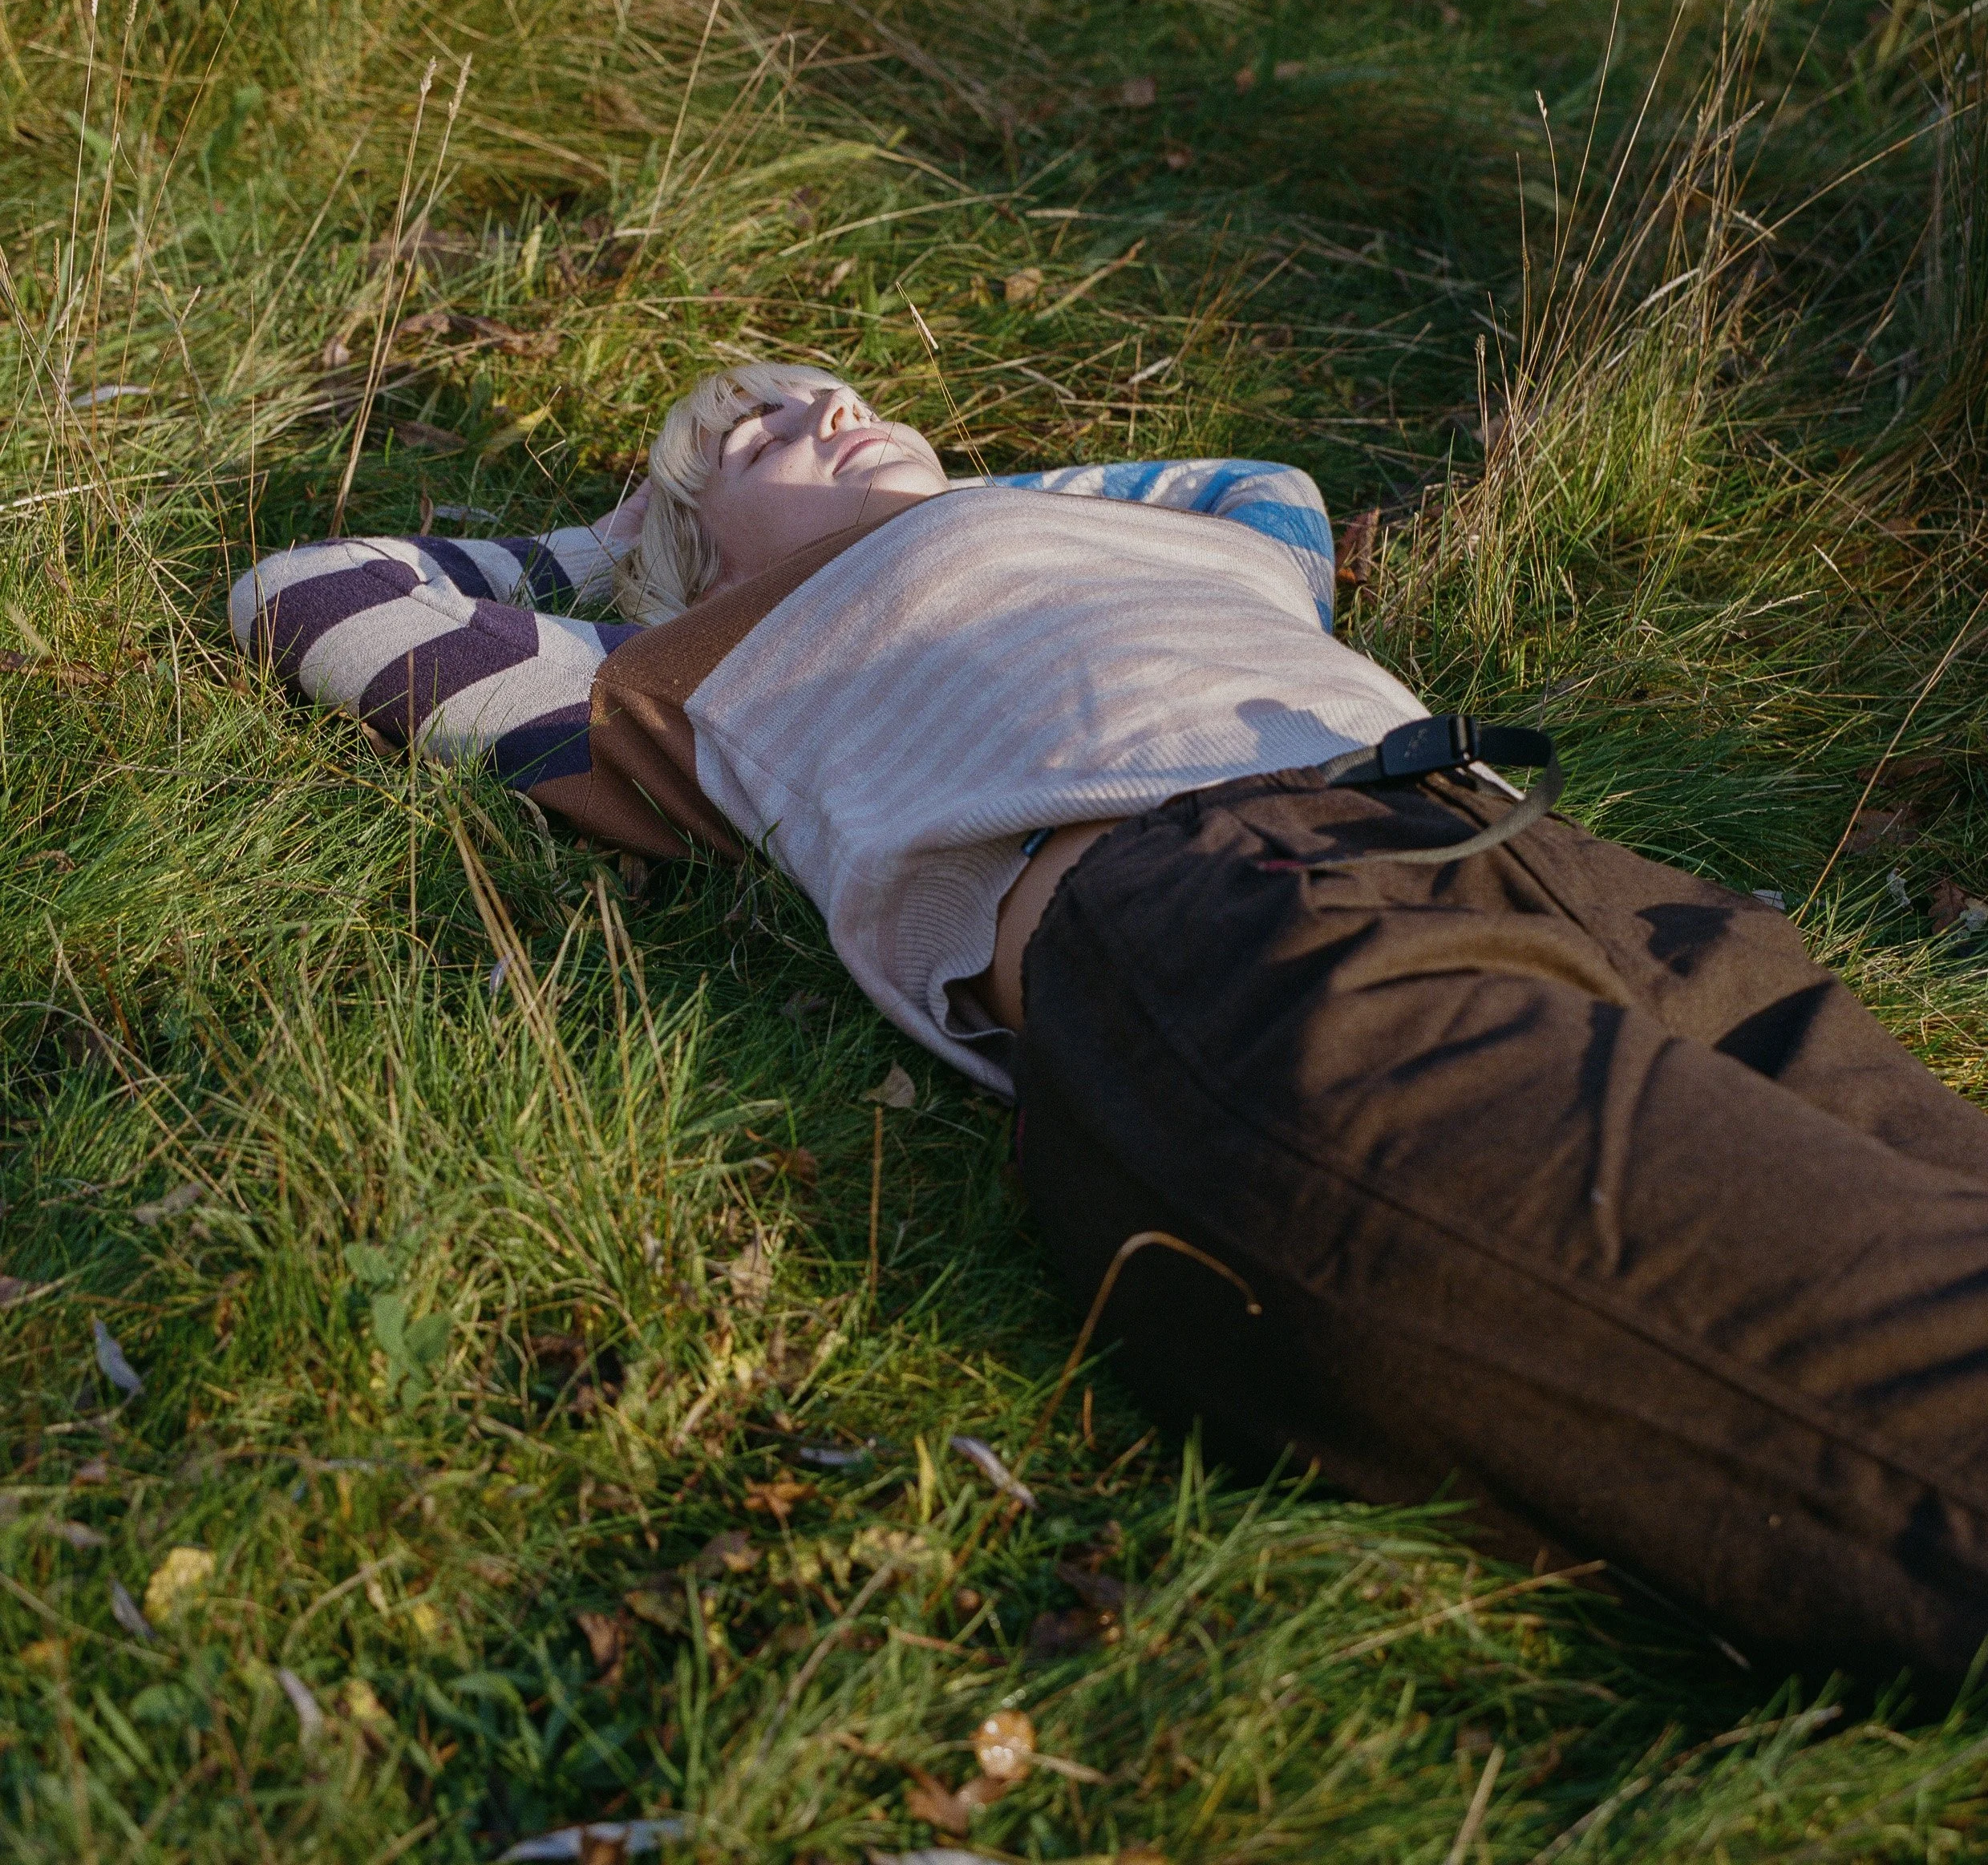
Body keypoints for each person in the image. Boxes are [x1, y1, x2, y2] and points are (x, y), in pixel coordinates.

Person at [233, 362, 1988, 1689]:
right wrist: (621, 544)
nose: (825, 410)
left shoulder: (1198, 539)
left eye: (838, 393)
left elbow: (1257, 474)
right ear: (678, 556)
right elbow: (311, 594)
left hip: (1555, 863)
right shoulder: (676, 678)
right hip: (1236, 946)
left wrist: (914, 494)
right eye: (761, 435)